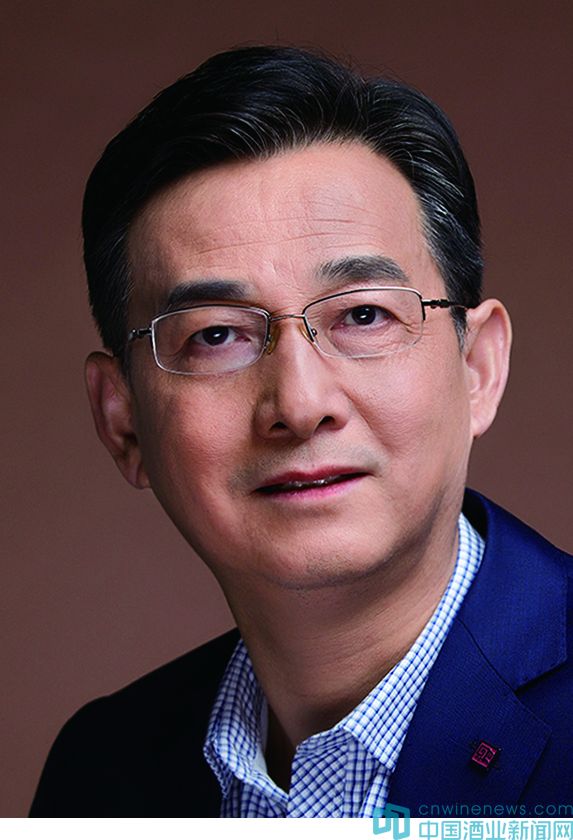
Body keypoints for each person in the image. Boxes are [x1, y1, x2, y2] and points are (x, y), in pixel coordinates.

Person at [30, 45, 573, 818]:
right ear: (122, 422)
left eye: (363, 315)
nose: (299, 402)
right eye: (216, 335)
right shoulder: (102, 771)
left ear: (477, 367)